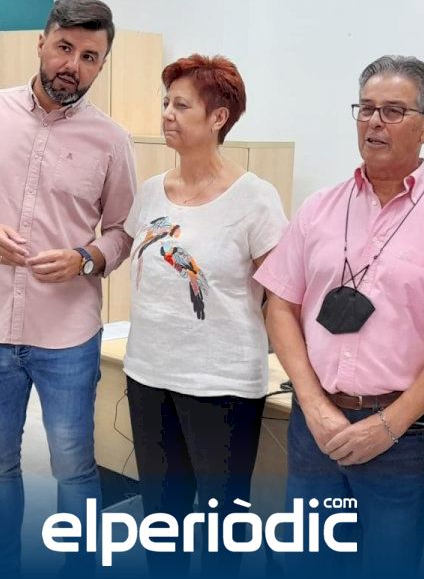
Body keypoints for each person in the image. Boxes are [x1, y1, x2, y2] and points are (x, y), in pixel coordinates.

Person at [254, 55, 424, 572]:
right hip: (315, 425)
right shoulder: (320, 207)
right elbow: (281, 306)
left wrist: (389, 425)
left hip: (401, 436)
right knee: (305, 565)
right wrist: (313, 404)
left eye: (392, 111)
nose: (373, 123)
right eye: (365, 109)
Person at [0, 0, 136, 577]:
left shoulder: (112, 140)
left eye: (90, 57)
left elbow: (124, 231)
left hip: (67, 334)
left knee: (74, 469)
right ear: (42, 44)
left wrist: (86, 259)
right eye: (65, 48)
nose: (73, 65)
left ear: (102, 65)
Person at [123, 54, 288, 575]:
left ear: (218, 117)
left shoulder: (255, 199)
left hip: (221, 383)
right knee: (161, 518)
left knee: (221, 524)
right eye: (166, 103)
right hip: (149, 374)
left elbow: (282, 297)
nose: (167, 114)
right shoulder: (151, 191)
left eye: (181, 105)